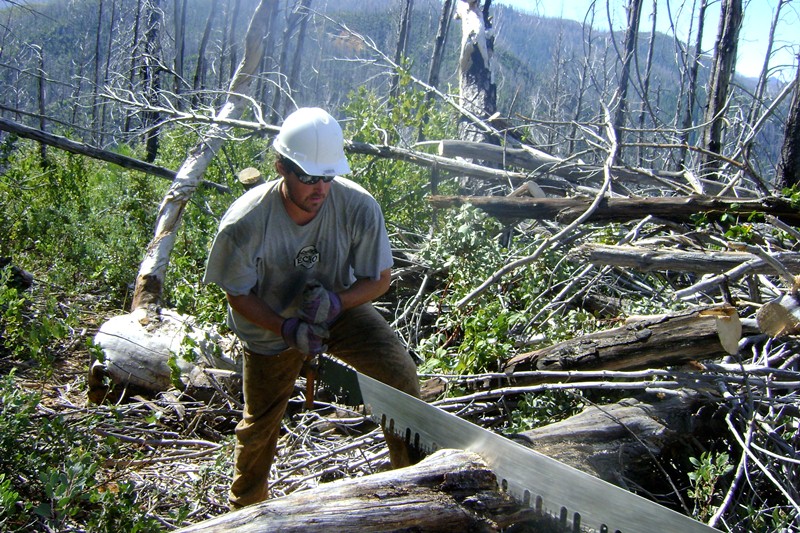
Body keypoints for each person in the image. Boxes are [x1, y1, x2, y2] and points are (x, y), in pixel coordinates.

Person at [203, 107, 421, 508]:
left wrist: (338, 302)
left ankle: (413, 486)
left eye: (327, 177)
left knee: (401, 376)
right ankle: (245, 511)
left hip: (336, 308)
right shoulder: (246, 222)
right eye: (307, 177)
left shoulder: (358, 207)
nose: (319, 189)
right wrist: (287, 331)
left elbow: (380, 279)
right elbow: (237, 294)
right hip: (268, 322)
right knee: (261, 423)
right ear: (281, 167)